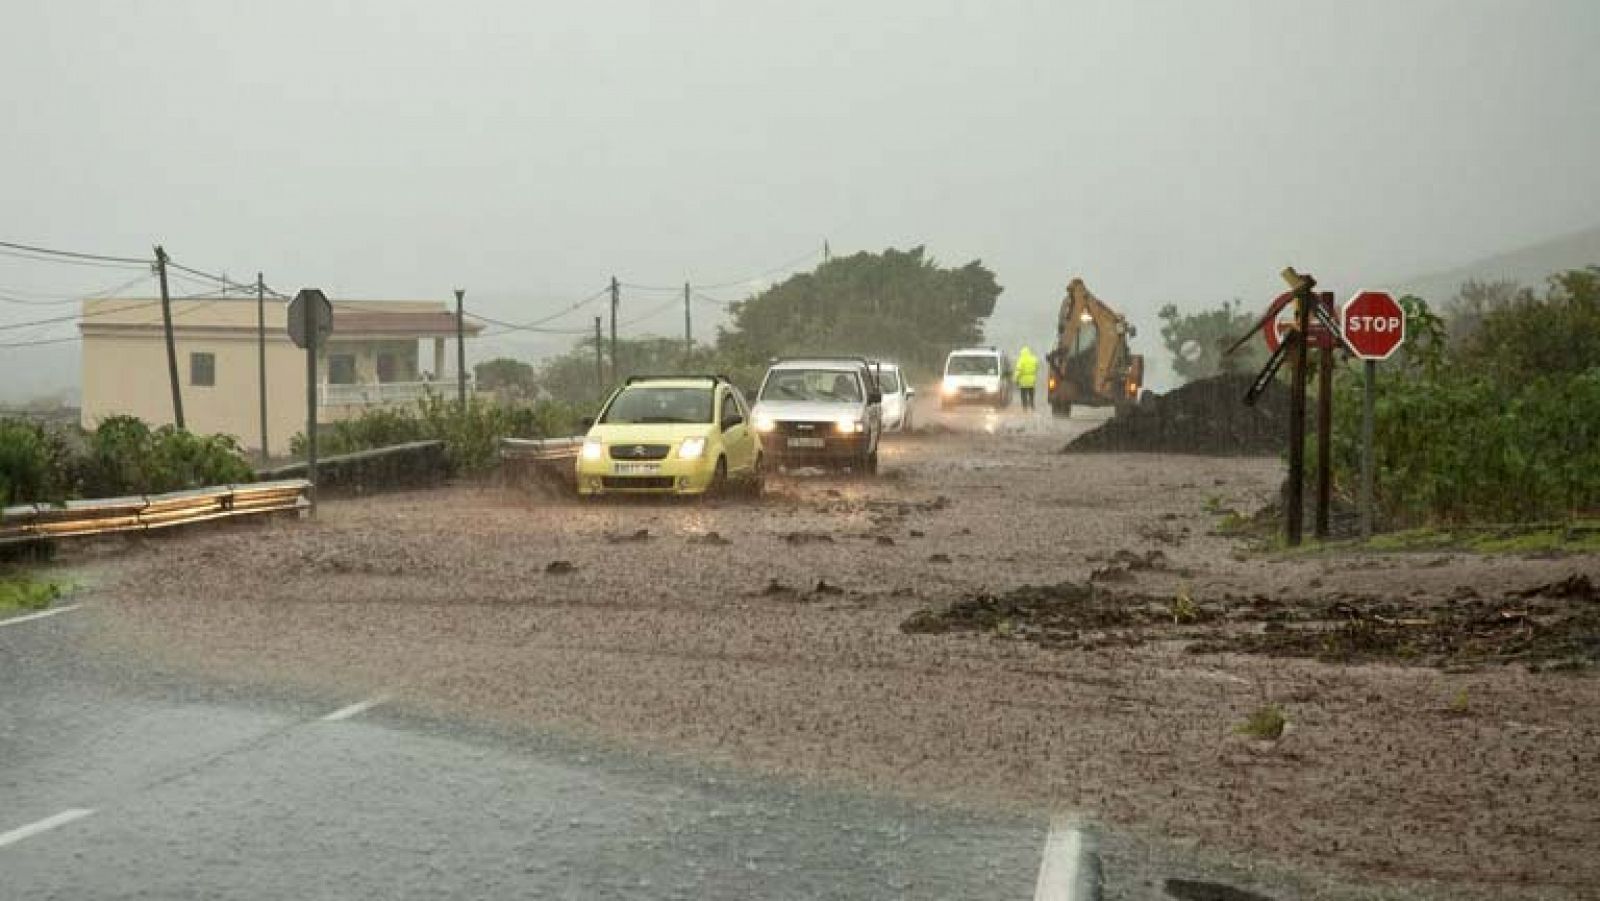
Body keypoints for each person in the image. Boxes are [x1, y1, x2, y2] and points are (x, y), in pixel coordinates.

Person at [1014, 345, 1039, 410]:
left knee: (1023, 394)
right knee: (1031, 394)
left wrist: (1015, 379)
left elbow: (1018, 370)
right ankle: (1032, 405)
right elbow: (1037, 367)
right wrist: (1033, 374)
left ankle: (1025, 407)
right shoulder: (1034, 359)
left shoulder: (1021, 360)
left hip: (1023, 381)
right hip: (1032, 380)